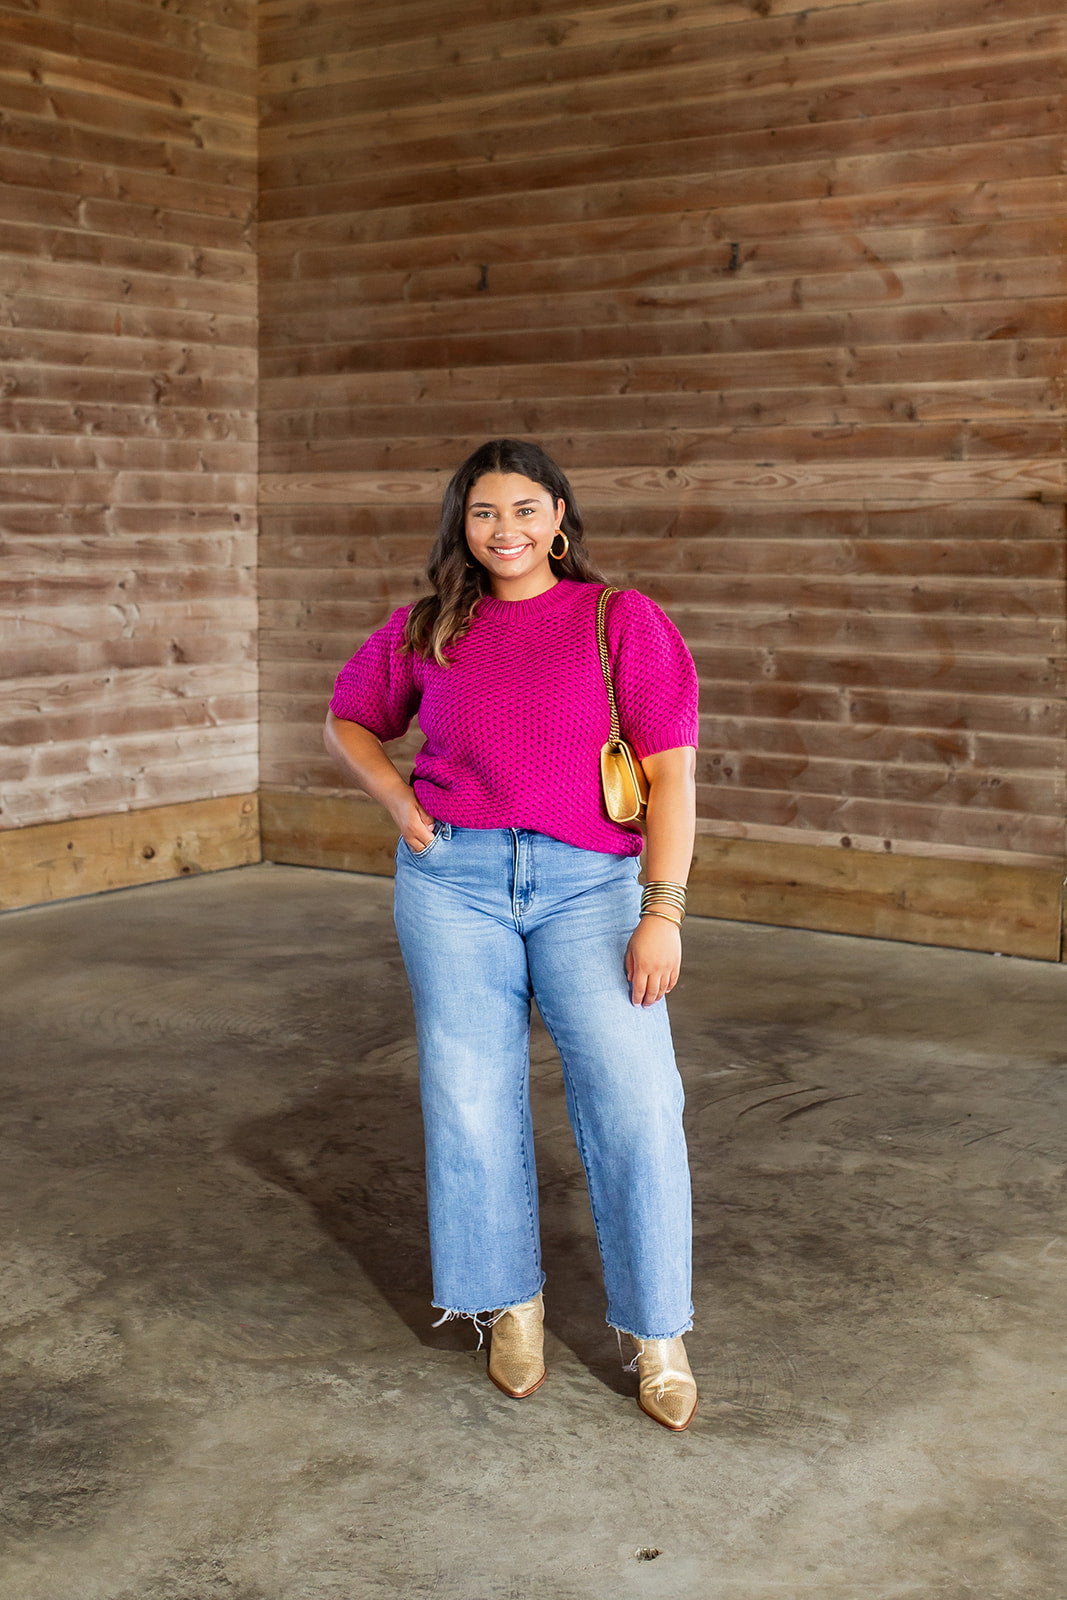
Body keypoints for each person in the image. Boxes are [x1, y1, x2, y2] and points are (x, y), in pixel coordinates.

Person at [324, 438, 700, 1431]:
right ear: (462, 524)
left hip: (590, 886)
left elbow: (673, 780)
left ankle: (656, 1332)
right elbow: (350, 720)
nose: (506, 530)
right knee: (469, 1092)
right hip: (452, 883)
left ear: (559, 516)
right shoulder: (427, 627)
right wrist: (398, 799)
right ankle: (509, 1305)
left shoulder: (621, 620)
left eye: (525, 509)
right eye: (484, 512)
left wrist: (659, 909)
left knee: (633, 1095)